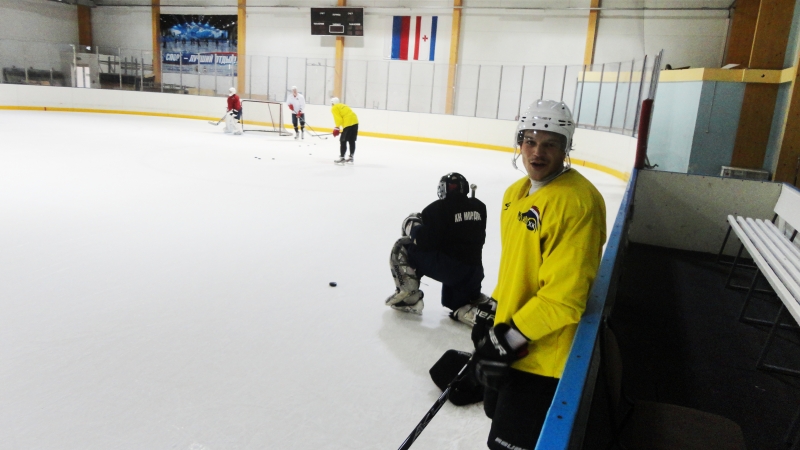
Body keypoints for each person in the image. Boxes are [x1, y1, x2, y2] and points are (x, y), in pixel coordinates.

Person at [471, 100, 606, 449]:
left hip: (544, 362)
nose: (537, 152)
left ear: (566, 148)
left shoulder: (577, 203)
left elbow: (565, 299)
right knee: (495, 420)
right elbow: (518, 267)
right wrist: (494, 311)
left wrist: (509, 339)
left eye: (551, 144)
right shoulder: (515, 194)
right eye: (530, 141)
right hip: (517, 345)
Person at [385, 172, 492, 326]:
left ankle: (409, 298)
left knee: (403, 246)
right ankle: (472, 303)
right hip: (474, 273)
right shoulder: (479, 207)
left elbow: (423, 241)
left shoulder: (436, 209)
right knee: (456, 304)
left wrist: (412, 226)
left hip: (453, 271)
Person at [330, 97, 358, 165]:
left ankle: (342, 157)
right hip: (355, 122)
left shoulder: (334, 107)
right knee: (352, 140)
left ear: (333, 103)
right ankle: (351, 157)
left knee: (343, 140)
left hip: (348, 123)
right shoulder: (343, 105)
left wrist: (337, 128)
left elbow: (338, 119)